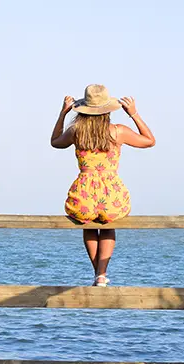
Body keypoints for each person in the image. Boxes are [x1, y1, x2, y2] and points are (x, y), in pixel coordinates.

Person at [50, 84, 156, 286]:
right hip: (111, 193)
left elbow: (55, 141)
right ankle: (101, 274)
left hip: (84, 192)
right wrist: (134, 114)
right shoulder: (118, 131)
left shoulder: (76, 131)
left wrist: (63, 113)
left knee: (88, 226)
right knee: (108, 226)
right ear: (108, 110)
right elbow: (149, 141)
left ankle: (98, 275)